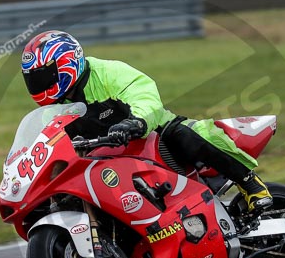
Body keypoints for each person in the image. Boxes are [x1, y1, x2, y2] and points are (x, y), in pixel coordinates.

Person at [20, 30, 272, 212]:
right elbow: (47, 142)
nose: (38, 84)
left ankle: (249, 182)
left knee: (182, 135)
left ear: (65, 63)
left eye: (42, 77)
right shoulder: (53, 109)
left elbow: (145, 94)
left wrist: (136, 122)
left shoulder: (108, 72)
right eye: (33, 79)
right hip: (108, 159)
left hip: (152, 133)